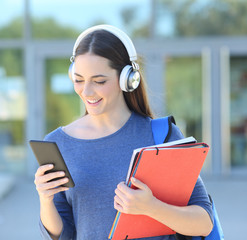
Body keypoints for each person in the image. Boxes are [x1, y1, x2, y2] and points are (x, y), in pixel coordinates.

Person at [34, 25, 213, 240]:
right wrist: (45, 200)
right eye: (79, 80)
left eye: (99, 81)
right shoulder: (57, 143)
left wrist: (152, 207)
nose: (87, 91)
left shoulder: (161, 135)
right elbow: (63, 235)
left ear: (127, 79)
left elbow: (204, 223)